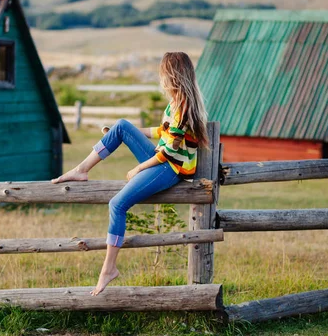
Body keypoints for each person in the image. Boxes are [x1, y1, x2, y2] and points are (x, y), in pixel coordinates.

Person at [51, 52, 209, 295]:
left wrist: (138, 168)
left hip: (171, 168)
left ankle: (109, 269)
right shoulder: (175, 104)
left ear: (172, 77)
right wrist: (123, 132)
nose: (161, 79)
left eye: (163, 74)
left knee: (117, 204)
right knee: (123, 125)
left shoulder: (183, 109)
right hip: (163, 161)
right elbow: (161, 131)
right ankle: (81, 169)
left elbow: (167, 154)